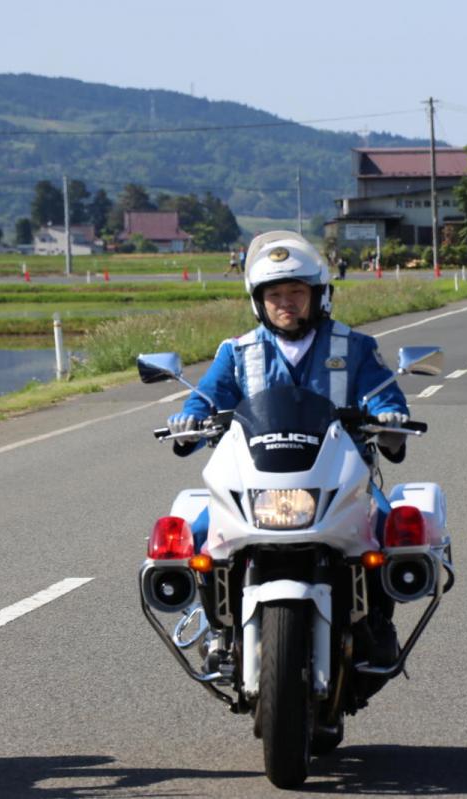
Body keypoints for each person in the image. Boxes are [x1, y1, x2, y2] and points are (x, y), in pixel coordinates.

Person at [167, 231, 408, 666]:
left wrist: (389, 417)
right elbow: (204, 399)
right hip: (258, 478)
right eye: (274, 294)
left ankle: (376, 622)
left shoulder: (353, 346)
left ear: (318, 295)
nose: (286, 302)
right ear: (259, 301)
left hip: (339, 477)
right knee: (199, 534)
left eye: (296, 291)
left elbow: (385, 395)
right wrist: (187, 420)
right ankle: (217, 625)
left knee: (391, 531)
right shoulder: (238, 352)